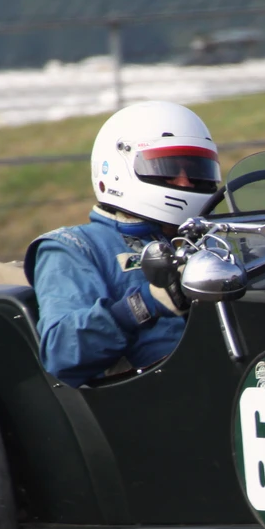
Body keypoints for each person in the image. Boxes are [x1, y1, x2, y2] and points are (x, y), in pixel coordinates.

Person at [24, 101, 223, 387]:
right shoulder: (73, 247)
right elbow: (61, 354)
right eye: (168, 168)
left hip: (234, 376)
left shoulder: (215, 239)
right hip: (156, 398)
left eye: (195, 171)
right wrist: (146, 304)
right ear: (118, 168)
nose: (185, 183)